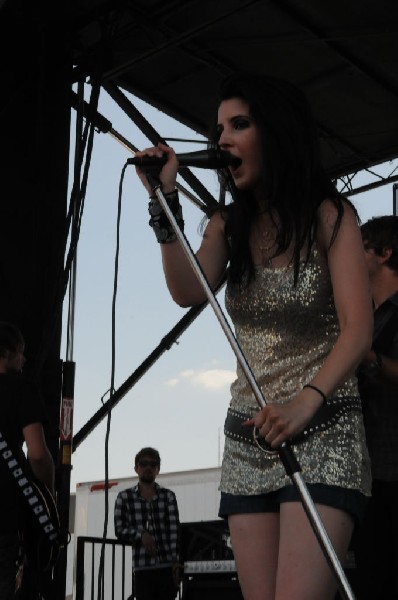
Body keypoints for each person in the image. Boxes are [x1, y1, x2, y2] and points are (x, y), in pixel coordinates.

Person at [134, 72, 374, 600]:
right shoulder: (228, 225)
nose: (221, 140)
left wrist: (305, 403)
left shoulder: (331, 216)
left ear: (276, 131)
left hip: (322, 431)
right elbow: (186, 290)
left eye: (238, 124)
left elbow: (359, 330)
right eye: (218, 128)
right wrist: (164, 201)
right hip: (248, 439)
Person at [352, 215, 398, 599]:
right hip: (368, 476)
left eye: (360, 246)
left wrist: (369, 358)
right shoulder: (359, 315)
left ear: (385, 253)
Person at [0, 321, 55, 599]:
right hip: (6, 516)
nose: (23, 360)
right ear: (7, 353)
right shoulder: (22, 390)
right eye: (20, 352)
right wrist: (49, 492)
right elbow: (37, 453)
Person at [114, 447, 181, 600]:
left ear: (158, 469)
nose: (148, 468)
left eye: (153, 464)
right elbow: (119, 529)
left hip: (167, 568)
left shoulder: (168, 496)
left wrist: (177, 564)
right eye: (143, 464)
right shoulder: (124, 497)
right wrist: (141, 535)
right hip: (142, 568)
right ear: (136, 468)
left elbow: (174, 533)